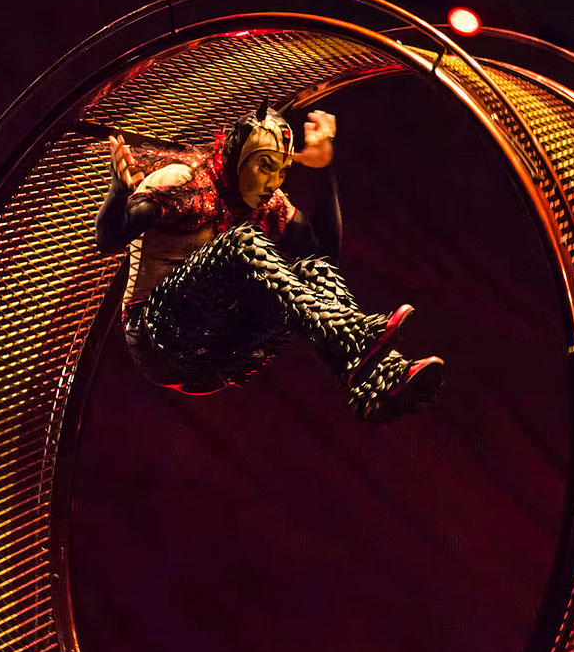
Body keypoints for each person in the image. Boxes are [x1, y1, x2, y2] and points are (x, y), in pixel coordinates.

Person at [94, 103, 444, 421]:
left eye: (282, 171)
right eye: (265, 167)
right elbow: (110, 239)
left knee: (310, 269)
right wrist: (117, 193)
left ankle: (382, 379)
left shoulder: (269, 202)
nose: (272, 183)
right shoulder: (184, 181)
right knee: (241, 241)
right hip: (159, 340)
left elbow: (323, 255)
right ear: (237, 156)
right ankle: (353, 340)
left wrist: (324, 172)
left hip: (218, 355)